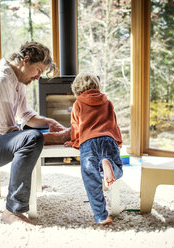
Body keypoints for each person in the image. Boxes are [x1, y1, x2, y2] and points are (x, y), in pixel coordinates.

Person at [0, 41, 70, 226]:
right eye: (38, 70)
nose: (38, 77)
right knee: (31, 138)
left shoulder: (18, 80)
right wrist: (58, 137)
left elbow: (25, 115)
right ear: (25, 60)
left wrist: (49, 122)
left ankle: (28, 187)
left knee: (32, 137)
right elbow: (6, 130)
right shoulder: (0, 79)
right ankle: (12, 212)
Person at [64, 72, 123, 225]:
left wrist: (74, 142)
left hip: (88, 143)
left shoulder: (78, 104)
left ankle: (101, 216)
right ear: (97, 86)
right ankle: (106, 164)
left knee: (91, 180)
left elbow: (75, 127)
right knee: (119, 169)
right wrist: (118, 141)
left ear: (76, 89)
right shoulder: (107, 102)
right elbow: (113, 124)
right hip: (108, 139)